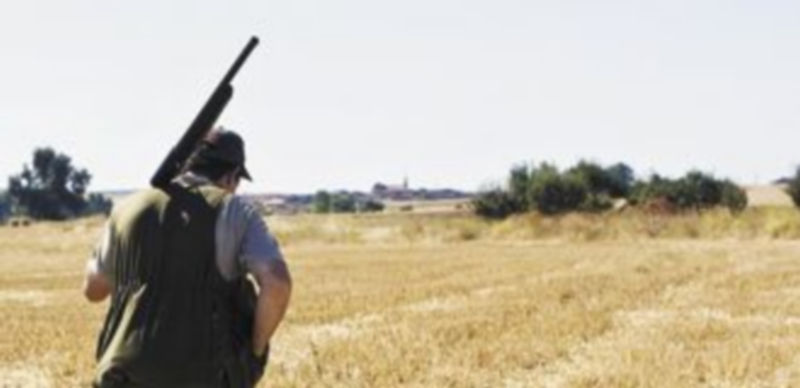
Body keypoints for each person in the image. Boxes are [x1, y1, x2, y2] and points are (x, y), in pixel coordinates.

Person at [82, 128, 292, 387]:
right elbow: (277, 283)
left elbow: (94, 290)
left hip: (121, 373)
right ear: (232, 176)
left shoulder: (125, 209)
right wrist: (256, 349)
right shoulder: (235, 211)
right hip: (202, 375)